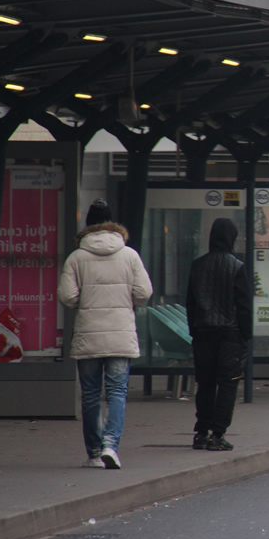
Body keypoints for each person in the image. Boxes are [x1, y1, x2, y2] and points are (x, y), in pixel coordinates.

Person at [58, 198, 153, 470]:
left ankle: (95, 452)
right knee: (117, 392)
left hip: (89, 332)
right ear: (113, 225)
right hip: (121, 334)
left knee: (89, 394)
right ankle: (112, 445)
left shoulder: (76, 257)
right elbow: (144, 294)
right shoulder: (130, 255)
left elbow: (67, 297)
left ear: (87, 226)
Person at [186, 218, 252, 452]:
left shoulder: (197, 265)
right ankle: (218, 434)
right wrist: (246, 335)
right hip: (230, 335)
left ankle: (201, 432)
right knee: (227, 384)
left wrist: (193, 331)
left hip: (203, 333)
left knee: (205, 383)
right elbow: (243, 305)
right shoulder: (237, 266)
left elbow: (190, 303)